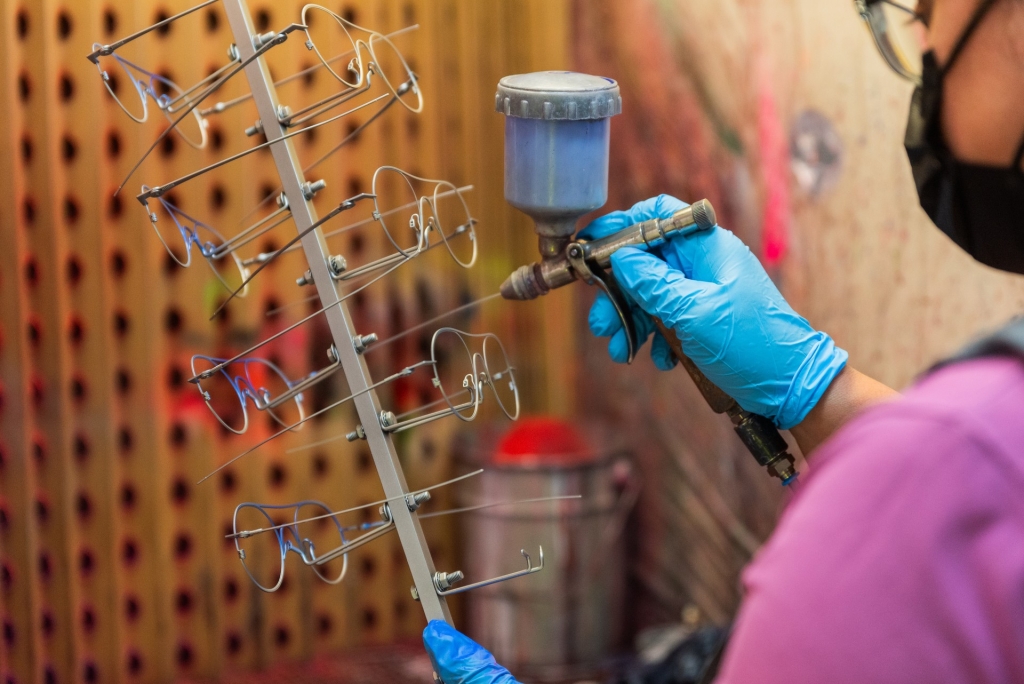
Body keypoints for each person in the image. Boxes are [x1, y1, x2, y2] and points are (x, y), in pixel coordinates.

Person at [423, 0, 1024, 681]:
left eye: (927, 11)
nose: (921, 42)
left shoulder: (961, 460)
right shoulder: (967, 455)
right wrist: (817, 389)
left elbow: (943, 482)